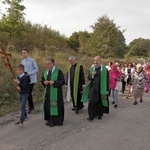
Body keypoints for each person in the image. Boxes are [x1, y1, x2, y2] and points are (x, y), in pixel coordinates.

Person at [81, 56, 109, 121]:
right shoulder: (92, 68)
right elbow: (89, 78)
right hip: (93, 88)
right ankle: (91, 115)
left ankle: (99, 114)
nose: (95, 62)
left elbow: (107, 80)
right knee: (91, 101)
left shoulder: (104, 69)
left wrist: (107, 89)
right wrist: (92, 75)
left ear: (100, 61)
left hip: (101, 88)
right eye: (94, 60)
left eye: (97, 60)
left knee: (99, 101)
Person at [41, 58, 65, 127]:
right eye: (46, 64)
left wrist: (54, 82)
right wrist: (44, 82)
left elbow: (62, 82)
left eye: (48, 64)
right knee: (48, 107)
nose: (47, 65)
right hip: (48, 93)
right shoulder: (45, 72)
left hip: (56, 94)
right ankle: (50, 120)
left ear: (53, 64)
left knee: (55, 106)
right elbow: (42, 80)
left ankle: (56, 121)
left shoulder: (59, 72)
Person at [21, 48, 39, 113]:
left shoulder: (32, 60)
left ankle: (31, 107)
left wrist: (30, 73)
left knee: (28, 93)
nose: (23, 54)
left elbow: (37, 69)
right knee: (27, 93)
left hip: (31, 79)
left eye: (24, 53)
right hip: (25, 79)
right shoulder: (22, 62)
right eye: (22, 53)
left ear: (28, 53)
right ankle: (31, 106)